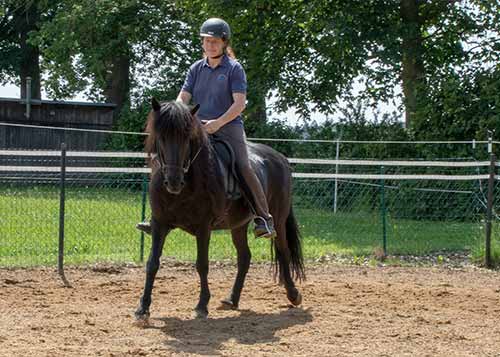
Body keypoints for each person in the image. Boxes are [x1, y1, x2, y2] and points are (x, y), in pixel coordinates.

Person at [137, 18, 276, 239]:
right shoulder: (195, 68)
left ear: (224, 43)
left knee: (243, 165)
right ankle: (159, 216)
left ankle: (263, 217)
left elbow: (239, 104)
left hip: (228, 127)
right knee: (167, 157)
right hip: (197, 128)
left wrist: (218, 123)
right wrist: (177, 114)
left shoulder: (234, 69)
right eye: (206, 41)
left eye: (215, 41)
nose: (210, 45)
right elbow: (183, 97)